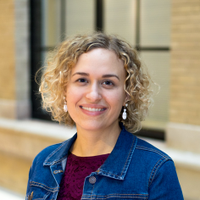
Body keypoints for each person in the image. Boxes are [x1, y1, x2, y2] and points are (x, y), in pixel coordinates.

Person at [26, 32, 184, 200]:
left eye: (108, 83)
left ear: (127, 94)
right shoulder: (43, 163)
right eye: (82, 80)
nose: (93, 95)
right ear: (64, 90)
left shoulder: (156, 170)